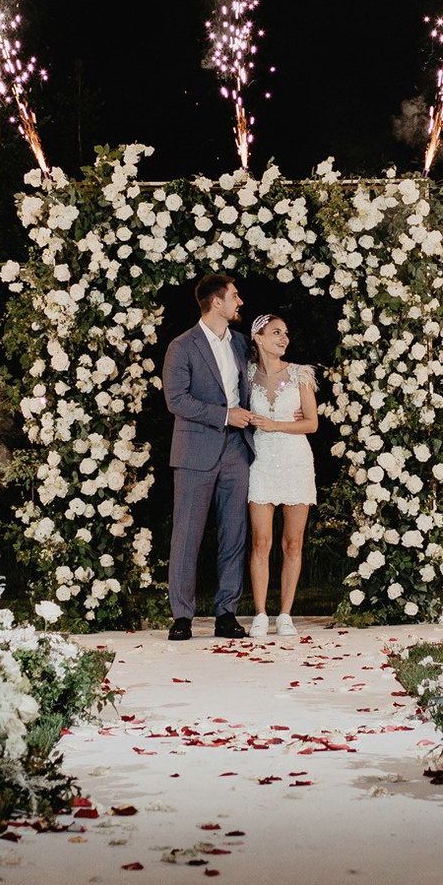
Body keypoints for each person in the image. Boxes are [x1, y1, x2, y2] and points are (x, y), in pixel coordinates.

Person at [163, 273, 254, 640]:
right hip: (195, 450)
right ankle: (182, 616)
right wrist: (223, 415)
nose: (239, 302)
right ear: (216, 302)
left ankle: (226, 613)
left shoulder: (241, 344)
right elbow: (177, 400)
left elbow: (260, 385)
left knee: (234, 533)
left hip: (236, 449)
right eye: (235, 296)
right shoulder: (181, 346)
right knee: (187, 534)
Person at [242, 313, 318, 636]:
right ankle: (260, 613)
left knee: (293, 543)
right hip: (261, 464)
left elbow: (311, 423)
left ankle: (285, 613)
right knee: (261, 541)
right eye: (276, 332)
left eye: (285, 333)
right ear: (258, 338)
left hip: (296, 462)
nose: (283, 339)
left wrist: (277, 425)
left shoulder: (300, 375)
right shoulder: (245, 376)